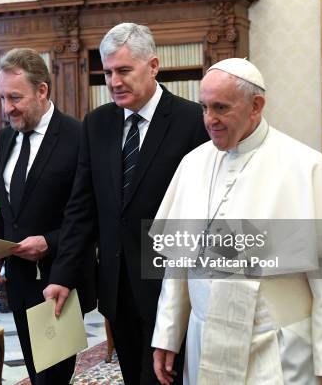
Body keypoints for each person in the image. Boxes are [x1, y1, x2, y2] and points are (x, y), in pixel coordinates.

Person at [150, 58, 322, 385]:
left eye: (221, 108)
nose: (210, 120)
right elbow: (178, 265)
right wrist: (167, 334)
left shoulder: (307, 169)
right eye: (204, 108)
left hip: (277, 346)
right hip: (204, 340)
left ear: (256, 106)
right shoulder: (192, 165)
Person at [43, 22, 209, 384]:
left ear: (152, 66)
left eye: (124, 70)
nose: (114, 81)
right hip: (116, 288)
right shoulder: (97, 123)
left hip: (170, 285)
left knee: (167, 378)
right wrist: (63, 275)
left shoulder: (192, 121)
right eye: (107, 72)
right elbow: (81, 208)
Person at [0, 48, 96, 384]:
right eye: (2, 98)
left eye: (15, 97)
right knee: (36, 374)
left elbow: (89, 215)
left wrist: (49, 242)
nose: (7, 108)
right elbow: (9, 207)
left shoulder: (78, 137)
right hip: (18, 282)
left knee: (53, 378)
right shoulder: (4, 138)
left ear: (43, 90)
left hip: (60, 279)